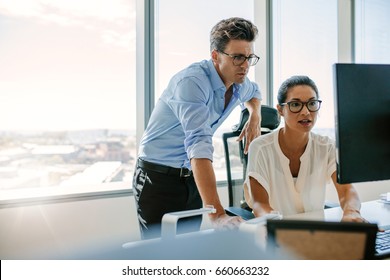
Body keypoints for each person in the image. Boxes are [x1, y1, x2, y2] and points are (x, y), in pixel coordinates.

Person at [133, 17, 263, 239]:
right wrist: (218, 215)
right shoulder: (192, 82)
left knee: (188, 250)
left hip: (191, 178)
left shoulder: (239, 82)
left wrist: (255, 116)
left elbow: (255, 93)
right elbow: (199, 145)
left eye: (249, 57)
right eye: (238, 57)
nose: (245, 65)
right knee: (159, 257)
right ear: (215, 56)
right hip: (157, 177)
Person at [244, 75, 366, 222]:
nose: (306, 112)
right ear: (281, 110)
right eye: (295, 105)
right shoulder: (260, 148)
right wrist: (280, 227)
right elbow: (259, 204)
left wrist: (352, 212)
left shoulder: (327, 147)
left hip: (316, 235)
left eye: (312, 103)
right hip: (274, 236)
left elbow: (347, 191)